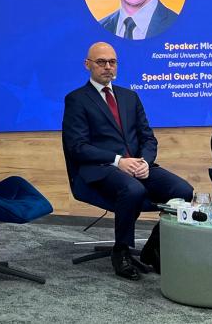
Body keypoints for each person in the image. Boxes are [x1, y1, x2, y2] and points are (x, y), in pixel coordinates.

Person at [62, 42, 193, 280]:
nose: (107, 67)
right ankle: (121, 251)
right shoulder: (77, 99)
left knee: (183, 191)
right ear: (87, 64)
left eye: (112, 62)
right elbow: (77, 147)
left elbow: (148, 138)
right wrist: (118, 161)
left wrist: (145, 162)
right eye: (101, 62)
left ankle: (154, 247)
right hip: (101, 169)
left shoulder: (130, 97)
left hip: (138, 166)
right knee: (133, 190)